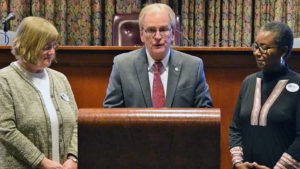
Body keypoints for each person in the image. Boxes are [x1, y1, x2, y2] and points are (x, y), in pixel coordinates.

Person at [0, 16, 78, 169]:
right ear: (28, 46)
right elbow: (5, 130)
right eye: (46, 47)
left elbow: (76, 122)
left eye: (54, 46)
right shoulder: (4, 80)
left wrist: (73, 157)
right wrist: (41, 162)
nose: (52, 52)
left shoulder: (60, 79)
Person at [103, 3, 213, 108]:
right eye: (151, 30)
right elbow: (110, 114)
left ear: (173, 34)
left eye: (163, 29)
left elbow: (206, 116)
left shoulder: (193, 66)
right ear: (142, 34)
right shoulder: (122, 65)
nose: (157, 36)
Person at [229, 21, 300, 169]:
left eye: (265, 48)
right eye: (256, 46)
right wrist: (238, 163)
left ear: (283, 51)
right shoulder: (249, 82)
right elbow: (235, 128)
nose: (257, 52)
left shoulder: (298, 84)